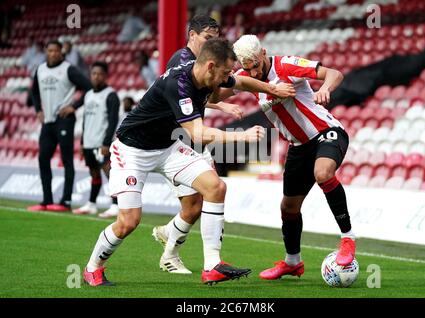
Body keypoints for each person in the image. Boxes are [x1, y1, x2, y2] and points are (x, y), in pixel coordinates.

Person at [82, 38, 295, 286]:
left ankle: (212, 265)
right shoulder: (179, 84)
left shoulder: (210, 74)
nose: (227, 79)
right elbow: (197, 134)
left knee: (215, 187)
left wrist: (272, 89)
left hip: (167, 147)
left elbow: (242, 81)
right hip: (131, 151)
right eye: (225, 72)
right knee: (128, 222)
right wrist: (241, 136)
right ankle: (92, 267)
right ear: (211, 66)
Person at [229, 35, 356, 280]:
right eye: (248, 67)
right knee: (288, 207)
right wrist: (219, 104)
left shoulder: (286, 65)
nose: (253, 72)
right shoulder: (245, 77)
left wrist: (325, 89)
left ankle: (348, 239)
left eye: (256, 64)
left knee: (323, 173)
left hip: (325, 132)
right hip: (298, 147)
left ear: (263, 53)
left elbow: (334, 73)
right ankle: (292, 263)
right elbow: (217, 92)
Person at [151, 14, 245, 275]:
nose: (210, 43)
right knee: (196, 204)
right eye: (206, 37)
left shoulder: (203, 63)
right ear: (191, 35)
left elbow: (204, 94)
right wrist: (223, 101)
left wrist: (220, 101)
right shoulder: (182, 60)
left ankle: (171, 238)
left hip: (193, 140)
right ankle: (174, 254)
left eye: (214, 38)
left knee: (200, 202)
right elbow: (181, 96)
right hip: (176, 141)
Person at [27, 40, 92, 212]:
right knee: (42, 159)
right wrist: (38, 110)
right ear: (46, 52)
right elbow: (33, 92)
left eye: (56, 51)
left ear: (61, 53)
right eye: (50, 51)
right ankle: (46, 200)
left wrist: (74, 106)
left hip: (64, 120)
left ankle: (66, 201)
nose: (53, 54)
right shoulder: (40, 69)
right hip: (47, 121)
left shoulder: (68, 69)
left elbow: (89, 88)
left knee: (66, 160)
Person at [72, 61, 120, 218]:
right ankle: (92, 204)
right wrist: (82, 142)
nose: (96, 77)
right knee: (94, 173)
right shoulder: (88, 94)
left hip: (102, 143)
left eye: (100, 74)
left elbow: (113, 121)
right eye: (94, 74)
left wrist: (106, 143)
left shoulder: (111, 95)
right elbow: (85, 119)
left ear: (105, 76)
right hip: (89, 142)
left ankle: (116, 206)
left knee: (110, 174)